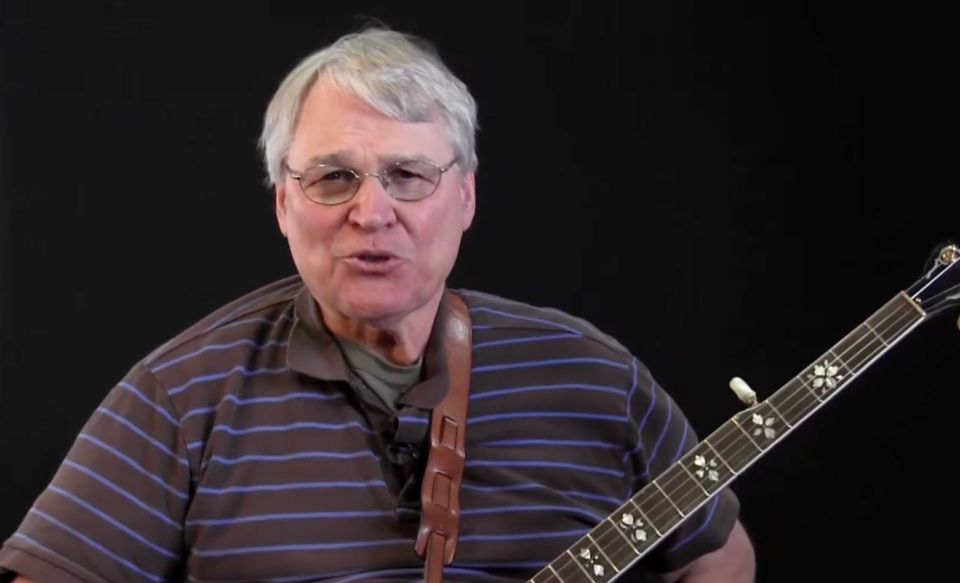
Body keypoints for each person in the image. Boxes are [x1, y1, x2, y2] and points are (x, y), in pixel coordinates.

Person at [0, 27, 755, 583]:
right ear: (284, 204)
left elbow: (718, 553)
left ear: (465, 197)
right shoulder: (182, 394)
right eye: (334, 177)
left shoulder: (595, 375)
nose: (372, 212)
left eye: (407, 175)